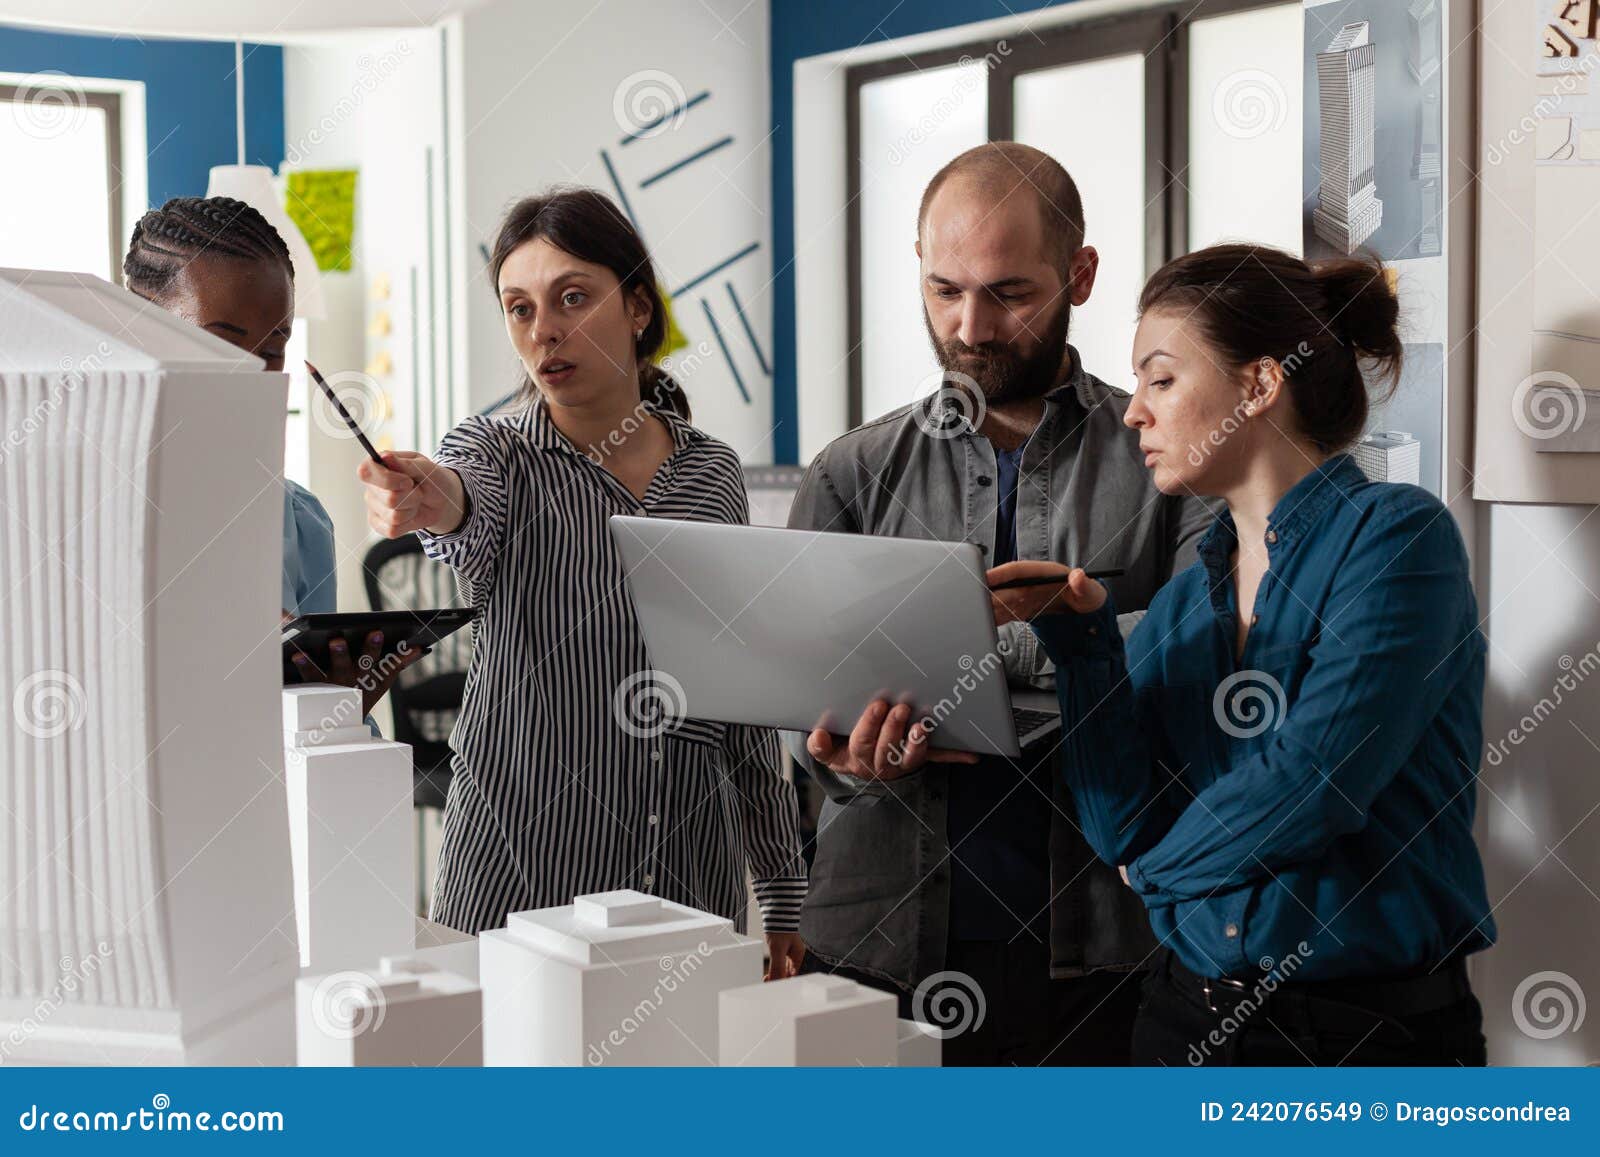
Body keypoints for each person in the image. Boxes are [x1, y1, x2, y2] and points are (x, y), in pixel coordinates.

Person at [995, 243, 1494, 1065]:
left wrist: (1156, 875)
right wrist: (1081, 637)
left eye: (1161, 378)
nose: (1133, 412)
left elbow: (1315, 785)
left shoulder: (1399, 539)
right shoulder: (1186, 600)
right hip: (1183, 1019)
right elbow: (1119, 826)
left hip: (1366, 1042)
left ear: (1260, 385)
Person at [785, 142, 1215, 1064]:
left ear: (1081, 275)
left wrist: (982, 650)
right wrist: (845, 755)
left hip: (1109, 938)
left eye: (1010, 294)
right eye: (945, 290)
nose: (972, 326)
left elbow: (1198, 656)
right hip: (883, 937)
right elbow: (798, 704)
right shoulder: (850, 473)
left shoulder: (1173, 464)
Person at [355, 188, 808, 977]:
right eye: (519, 309)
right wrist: (435, 500)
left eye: (572, 298)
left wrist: (782, 886)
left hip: (686, 876)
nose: (544, 332)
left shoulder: (712, 476)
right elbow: (464, 503)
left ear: (637, 307)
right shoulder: (495, 453)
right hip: (518, 874)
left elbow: (743, 697)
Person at [123, 195, 409, 715]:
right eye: (223, 345)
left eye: (273, 349)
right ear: (142, 334)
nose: (255, 374)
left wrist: (337, 710)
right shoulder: (77, 508)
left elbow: (305, 747)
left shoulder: (300, 522)